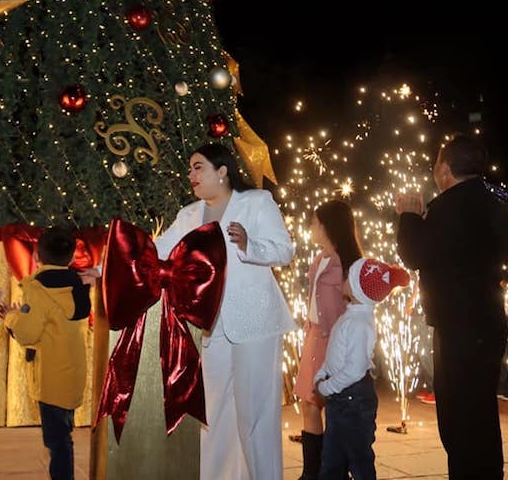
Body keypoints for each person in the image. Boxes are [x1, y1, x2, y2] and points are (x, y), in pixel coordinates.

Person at [151, 143, 296, 479]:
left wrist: (249, 245)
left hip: (256, 324)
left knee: (254, 416)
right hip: (212, 328)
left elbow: (284, 250)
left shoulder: (257, 202)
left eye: (198, 167)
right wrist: (105, 266)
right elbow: (158, 250)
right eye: (190, 169)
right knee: (212, 415)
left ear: (222, 171)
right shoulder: (189, 215)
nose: (191, 175)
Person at [396, 134, 508, 479]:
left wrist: (408, 217)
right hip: (489, 317)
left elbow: (415, 255)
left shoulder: (446, 206)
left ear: (444, 168)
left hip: (457, 325)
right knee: (481, 409)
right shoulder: (497, 201)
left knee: (458, 416)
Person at [0, 227, 91, 480]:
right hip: (72, 373)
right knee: (64, 435)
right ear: (72, 258)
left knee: (57, 442)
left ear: (37, 256)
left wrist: (11, 318)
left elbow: (28, 333)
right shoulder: (79, 286)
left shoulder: (36, 289)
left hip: (50, 376)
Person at [315, 257, 410, 480]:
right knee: (333, 459)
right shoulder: (352, 316)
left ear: (358, 287)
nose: (344, 279)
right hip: (343, 400)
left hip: (352, 400)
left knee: (358, 459)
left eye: (349, 276)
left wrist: (328, 386)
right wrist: (323, 373)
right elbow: (337, 356)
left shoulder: (358, 324)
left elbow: (355, 369)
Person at [293, 200, 361, 479]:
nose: (311, 228)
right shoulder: (318, 259)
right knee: (309, 403)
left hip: (335, 342)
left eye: (314, 222)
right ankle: (312, 472)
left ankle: (334, 471)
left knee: (334, 406)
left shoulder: (349, 264)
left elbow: (357, 305)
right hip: (313, 336)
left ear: (328, 226)